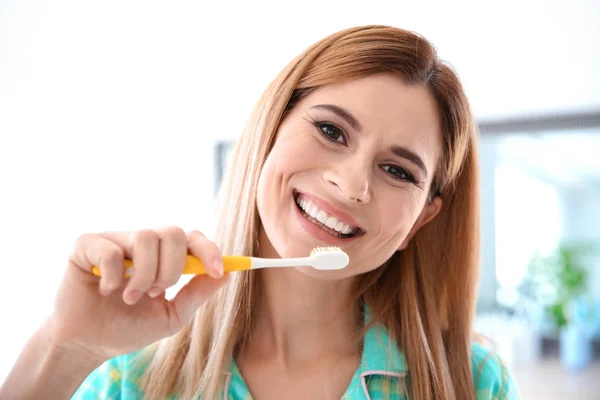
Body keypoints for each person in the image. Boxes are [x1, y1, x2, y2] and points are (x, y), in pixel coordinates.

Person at [1, 25, 520, 400]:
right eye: (331, 131)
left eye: (398, 171)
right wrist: (66, 346)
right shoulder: (130, 377)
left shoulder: (473, 384)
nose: (352, 184)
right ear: (268, 133)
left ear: (420, 222)